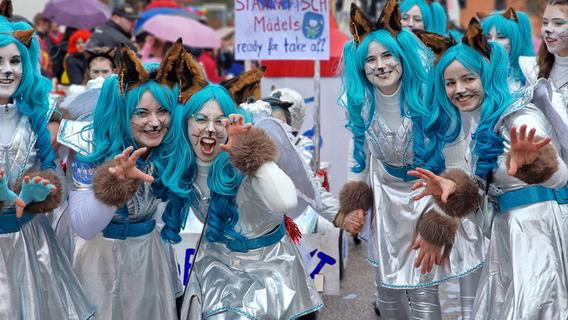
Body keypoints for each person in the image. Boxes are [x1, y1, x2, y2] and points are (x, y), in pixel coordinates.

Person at [336, 2, 486, 319]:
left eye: (387, 56)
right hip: (388, 205)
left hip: (430, 198)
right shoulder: (361, 104)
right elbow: (359, 154)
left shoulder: (432, 100)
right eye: (370, 59)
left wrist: (441, 224)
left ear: (402, 57)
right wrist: (355, 203)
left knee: (424, 296)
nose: (380, 65)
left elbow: (458, 171)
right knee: (388, 297)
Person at [417, 18, 568, 319]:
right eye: (450, 82)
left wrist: (536, 165)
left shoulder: (520, 117)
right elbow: (486, 207)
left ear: (486, 75)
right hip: (505, 236)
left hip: (537, 234)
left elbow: (562, 177)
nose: (459, 89)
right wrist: (456, 194)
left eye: (468, 79)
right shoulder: (479, 124)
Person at [158, 62, 323, 319]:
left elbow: (286, 201)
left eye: (219, 121)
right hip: (217, 262)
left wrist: (251, 156)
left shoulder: (244, 160)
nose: (210, 128)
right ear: (186, 123)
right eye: (200, 119)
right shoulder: (181, 168)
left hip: (271, 266)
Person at [66, 42, 186, 319]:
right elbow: (84, 226)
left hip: (149, 259)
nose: (155, 122)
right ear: (121, 112)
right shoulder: (91, 148)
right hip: (99, 263)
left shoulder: (169, 149)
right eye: (142, 113)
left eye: (162, 111)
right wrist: (116, 184)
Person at [0, 1, 94, 318]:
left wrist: (37, 195)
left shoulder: (35, 120)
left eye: (15, 60)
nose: (7, 69)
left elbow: (54, 178)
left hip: (29, 242)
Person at [479, 7, 535, 90]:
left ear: (515, 41)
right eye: (487, 37)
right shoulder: (477, 70)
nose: (492, 42)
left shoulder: (530, 72)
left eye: (501, 37)